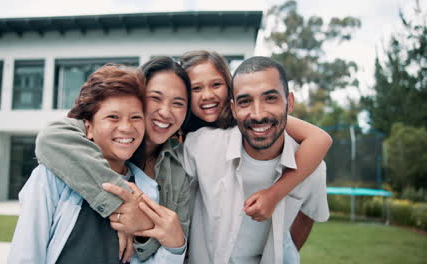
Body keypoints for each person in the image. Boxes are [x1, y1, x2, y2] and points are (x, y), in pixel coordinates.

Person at [35, 53, 331, 261]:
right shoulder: (106, 137)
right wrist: (123, 206)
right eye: (156, 98)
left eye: (178, 102)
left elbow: (317, 139)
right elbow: (52, 138)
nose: (166, 111)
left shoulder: (183, 155)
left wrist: (142, 228)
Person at [8, 63, 188, 264]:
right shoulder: (50, 178)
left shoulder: (147, 192)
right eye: (113, 117)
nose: (126, 128)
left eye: (136, 118)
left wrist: (174, 246)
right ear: (88, 127)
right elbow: (26, 254)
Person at [180, 56, 329, 263]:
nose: (258, 114)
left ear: (290, 102)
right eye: (245, 101)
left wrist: (280, 251)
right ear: (234, 108)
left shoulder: (311, 165)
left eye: (270, 98)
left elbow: (307, 215)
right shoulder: (197, 144)